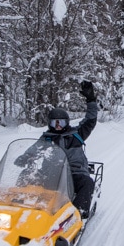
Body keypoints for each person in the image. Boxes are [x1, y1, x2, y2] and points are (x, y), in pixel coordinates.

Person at [39, 80, 99, 217]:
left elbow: (91, 120)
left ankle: (78, 214)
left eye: (62, 123)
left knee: (87, 183)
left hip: (75, 173)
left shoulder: (76, 134)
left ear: (67, 123)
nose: (58, 126)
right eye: (55, 123)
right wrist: (24, 157)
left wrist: (90, 99)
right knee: (29, 179)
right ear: (50, 123)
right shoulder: (46, 138)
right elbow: (34, 150)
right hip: (52, 174)